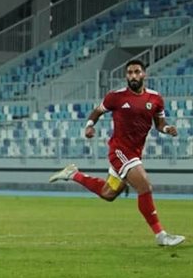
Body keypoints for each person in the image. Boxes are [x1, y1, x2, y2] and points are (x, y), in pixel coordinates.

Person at [49, 59, 184, 247]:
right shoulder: (116, 97)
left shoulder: (155, 99)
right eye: (129, 73)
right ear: (126, 76)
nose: (133, 76)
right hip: (119, 151)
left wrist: (167, 128)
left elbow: (159, 124)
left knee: (108, 193)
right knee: (144, 185)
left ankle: (73, 174)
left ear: (144, 74)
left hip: (134, 153)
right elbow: (96, 112)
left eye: (137, 72)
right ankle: (161, 235)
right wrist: (89, 126)